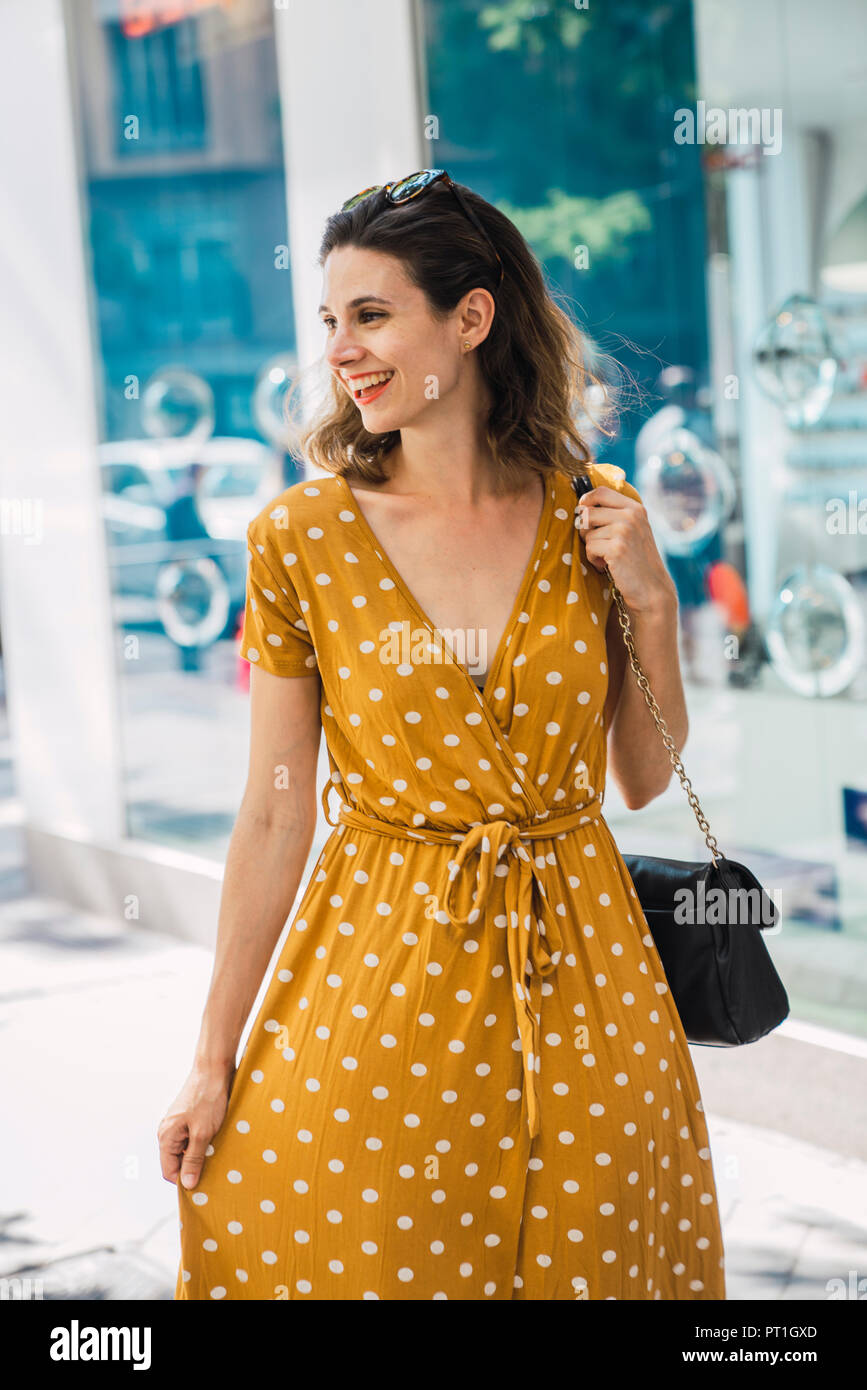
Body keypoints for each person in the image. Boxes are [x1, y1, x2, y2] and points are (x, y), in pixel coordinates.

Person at [158, 170, 726, 1301]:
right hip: (382, 972)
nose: (341, 350)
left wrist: (652, 601)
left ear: (470, 319)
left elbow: (644, 779)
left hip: (588, 980)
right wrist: (212, 1056)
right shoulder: (302, 540)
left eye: (372, 316)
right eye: (331, 321)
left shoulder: (591, 513)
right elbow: (275, 808)